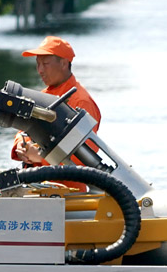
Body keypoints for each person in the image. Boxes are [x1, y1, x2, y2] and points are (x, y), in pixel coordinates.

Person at [11, 36, 101, 189]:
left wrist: (40, 156)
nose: (40, 70)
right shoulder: (43, 95)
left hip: (68, 193)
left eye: (45, 64)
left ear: (64, 63)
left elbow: (86, 157)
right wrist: (20, 144)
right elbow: (24, 129)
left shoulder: (81, 101)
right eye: (38, 64)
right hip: (38, 186)